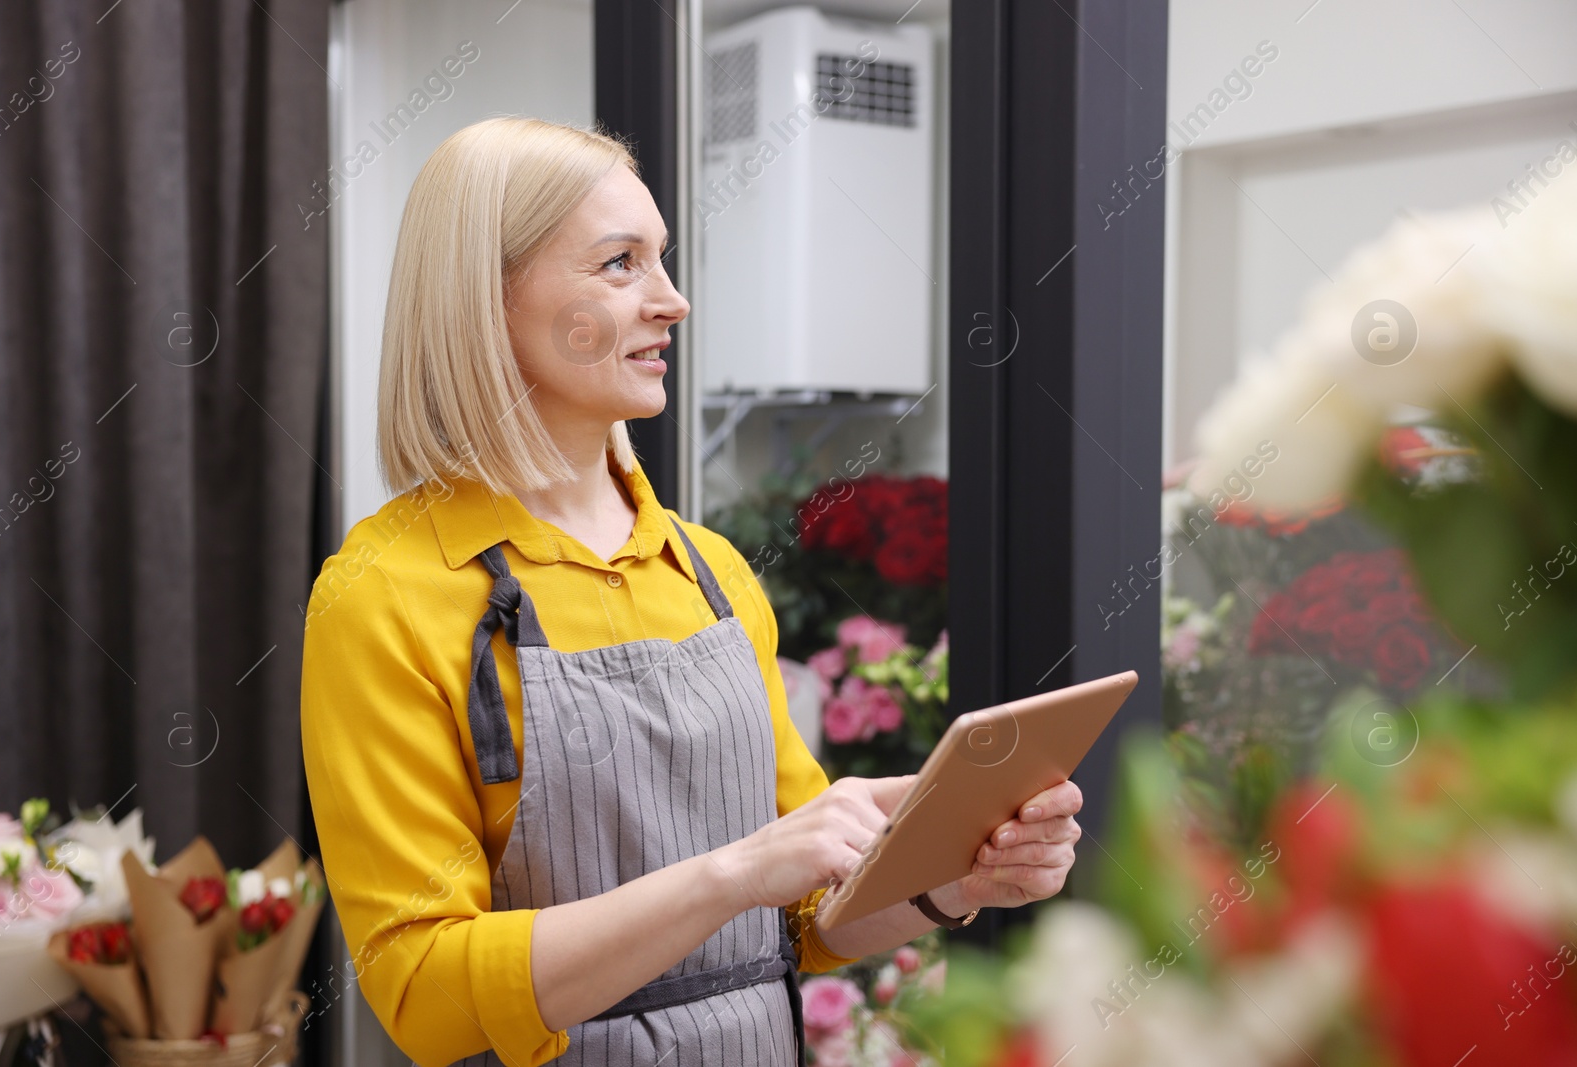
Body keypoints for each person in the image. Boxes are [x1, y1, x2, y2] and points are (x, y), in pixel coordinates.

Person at [300, 116, 1083, 1067]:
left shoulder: (707, 572)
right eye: (620, 264)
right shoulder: (383, 597)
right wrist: (733, 873)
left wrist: (955, 873)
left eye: (661, 260)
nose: (671, 302)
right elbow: (423, 994)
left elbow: (801, 917)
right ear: (488, 299)